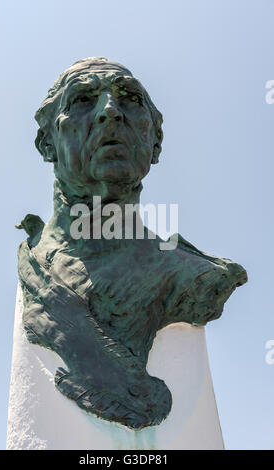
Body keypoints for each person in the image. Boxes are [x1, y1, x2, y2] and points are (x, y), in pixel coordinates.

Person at [17, 57, 247, 430]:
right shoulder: (35, 258)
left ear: (153, 143)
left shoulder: (191, 275)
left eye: (129, 100)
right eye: (82, 100)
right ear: (47, 143)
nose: (110, 111)